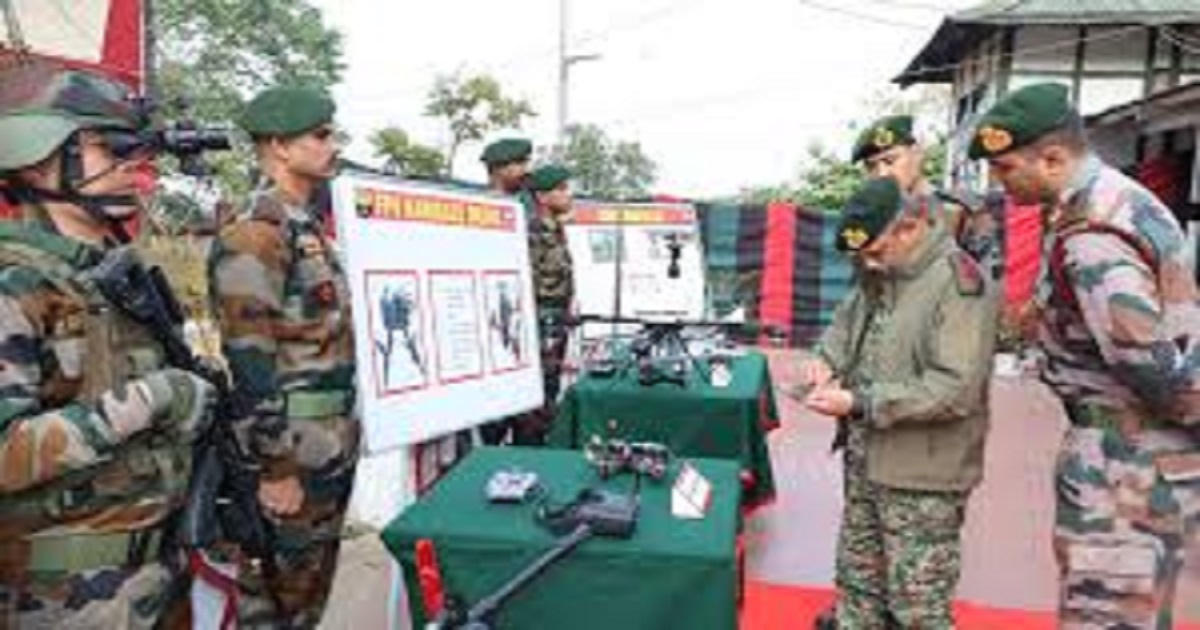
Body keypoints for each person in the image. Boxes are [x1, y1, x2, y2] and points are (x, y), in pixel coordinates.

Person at [970, 82, 1200, 629]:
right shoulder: (1113, 199)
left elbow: (1149, 365)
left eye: (1005, 169)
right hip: (1138, 450)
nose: (1000, 185)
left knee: (1108, 615)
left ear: (1052, 157)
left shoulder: (1093, 230)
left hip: (1124, 464)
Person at [0, 61, 215, 628]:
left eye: (139, 152)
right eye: (113, 149)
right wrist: (153, 399)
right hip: (64, 601)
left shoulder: (109, 275)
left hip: (156, 578)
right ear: (36, 156)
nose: (135, 170)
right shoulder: (13, 284)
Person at [800, 177, 996, 628]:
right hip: (867, 457)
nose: (869, 263)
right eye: (862, 256)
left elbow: (954, 389)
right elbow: (847, 320)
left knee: (917, 606)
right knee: (858, 585)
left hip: (922, 475)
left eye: (876, 251)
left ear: (909, 229)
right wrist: (825, 359)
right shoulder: (883, 270)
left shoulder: (959, 284)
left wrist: (860, 402)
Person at [208, 85, 358, 628]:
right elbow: (250, 357)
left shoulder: (302, 222)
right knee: (276, 595)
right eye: (320, 135)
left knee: (309, 587)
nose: (333, 145)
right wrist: (275, 468)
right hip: (291, 446)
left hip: (326, 441)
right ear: (278, 145)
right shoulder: (258, 230)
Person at [852, 115, 1000, 274]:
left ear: (917, 154)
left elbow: (988, 281)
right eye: (871, 166)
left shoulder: (962, 209)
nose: (882, 173)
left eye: (890, 161)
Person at [515, 164, 576, 446]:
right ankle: (528, 448)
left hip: (556, 318)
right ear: (542, 197)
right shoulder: (531, 230)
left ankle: (538, 442)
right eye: (561, 189)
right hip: (540, 318)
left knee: (549, 388)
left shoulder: (556, 228)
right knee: (536, 391)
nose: (569, 194)